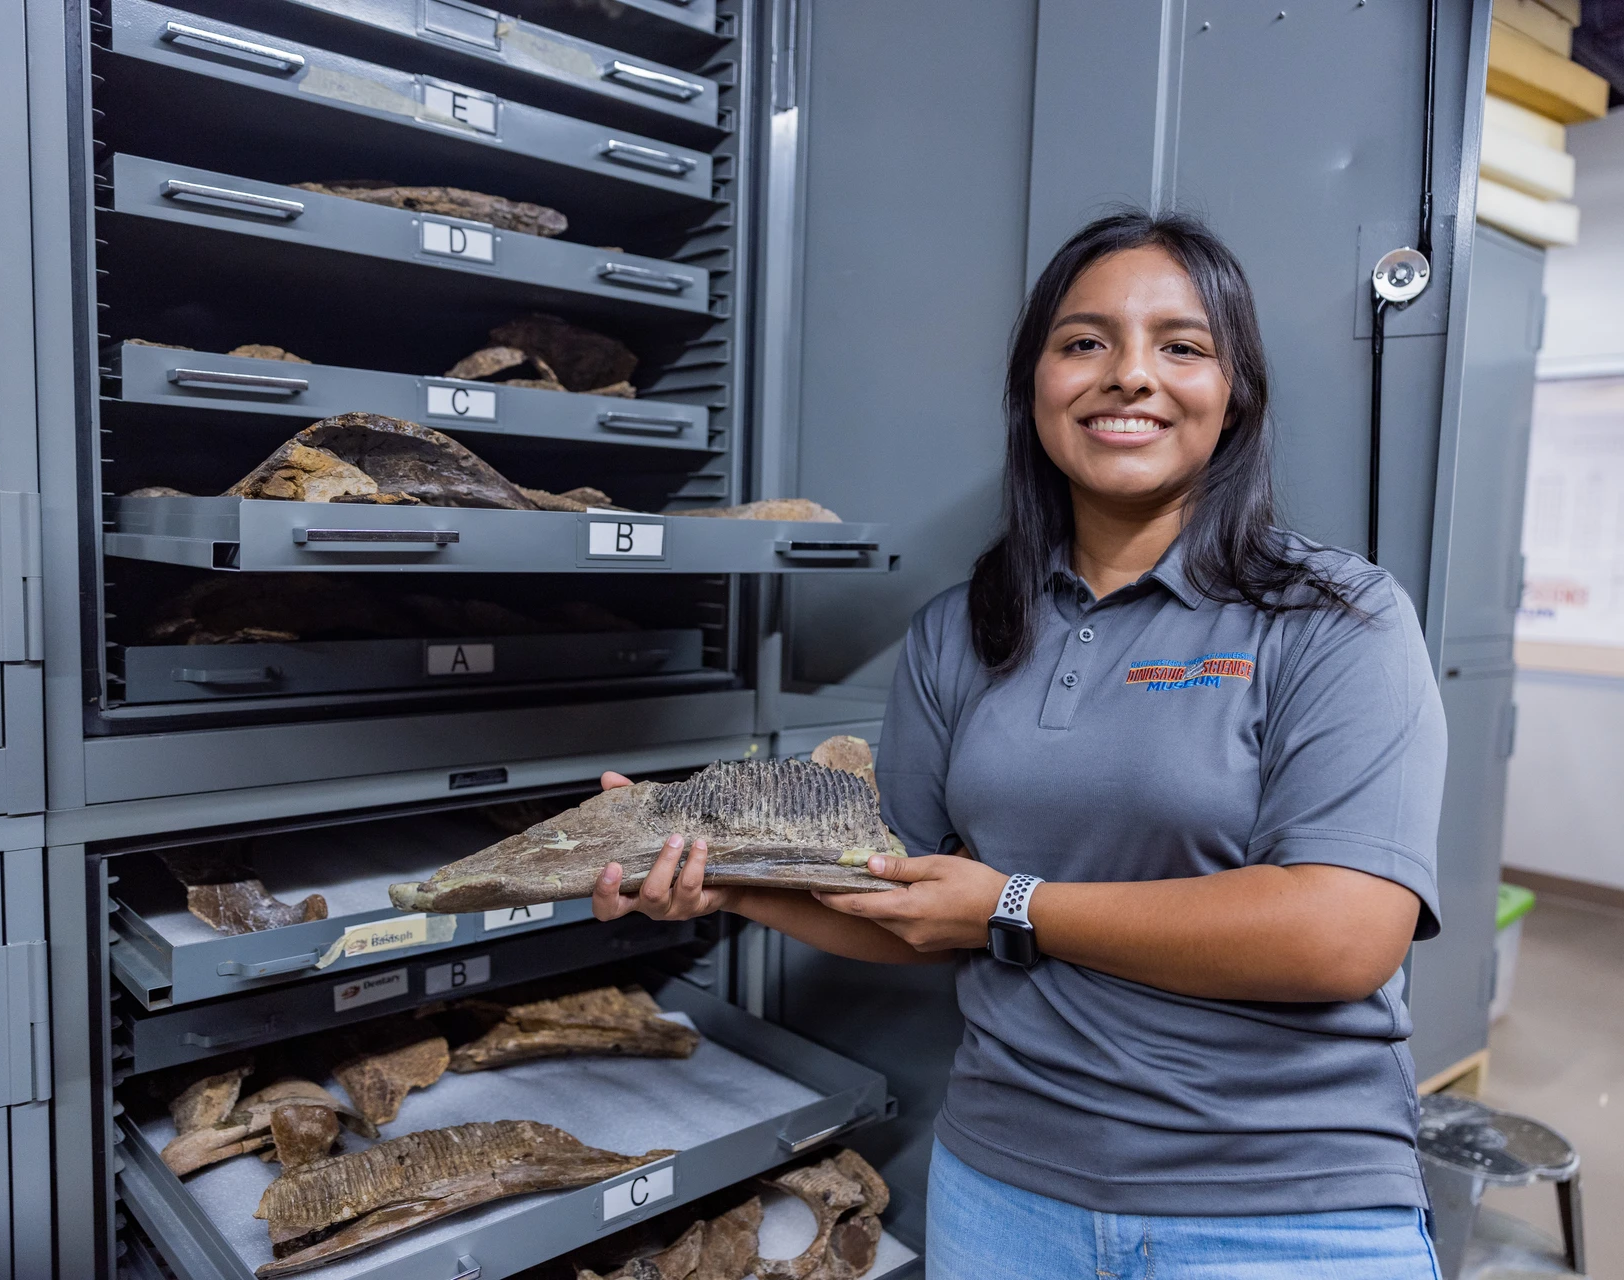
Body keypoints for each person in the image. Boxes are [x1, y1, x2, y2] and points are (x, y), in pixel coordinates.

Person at [591, 211, 1446, 1279]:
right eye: (1085, 341)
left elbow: (1342, 934)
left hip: (1278, 1205)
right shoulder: (960, 629)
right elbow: (908, 903)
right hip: (1006, 1192)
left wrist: (1010, 901)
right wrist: (729, 883)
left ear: (1234, 397)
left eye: (1182, 346)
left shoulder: (1334, 616)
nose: (1130, 375)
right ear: (1034, 385)